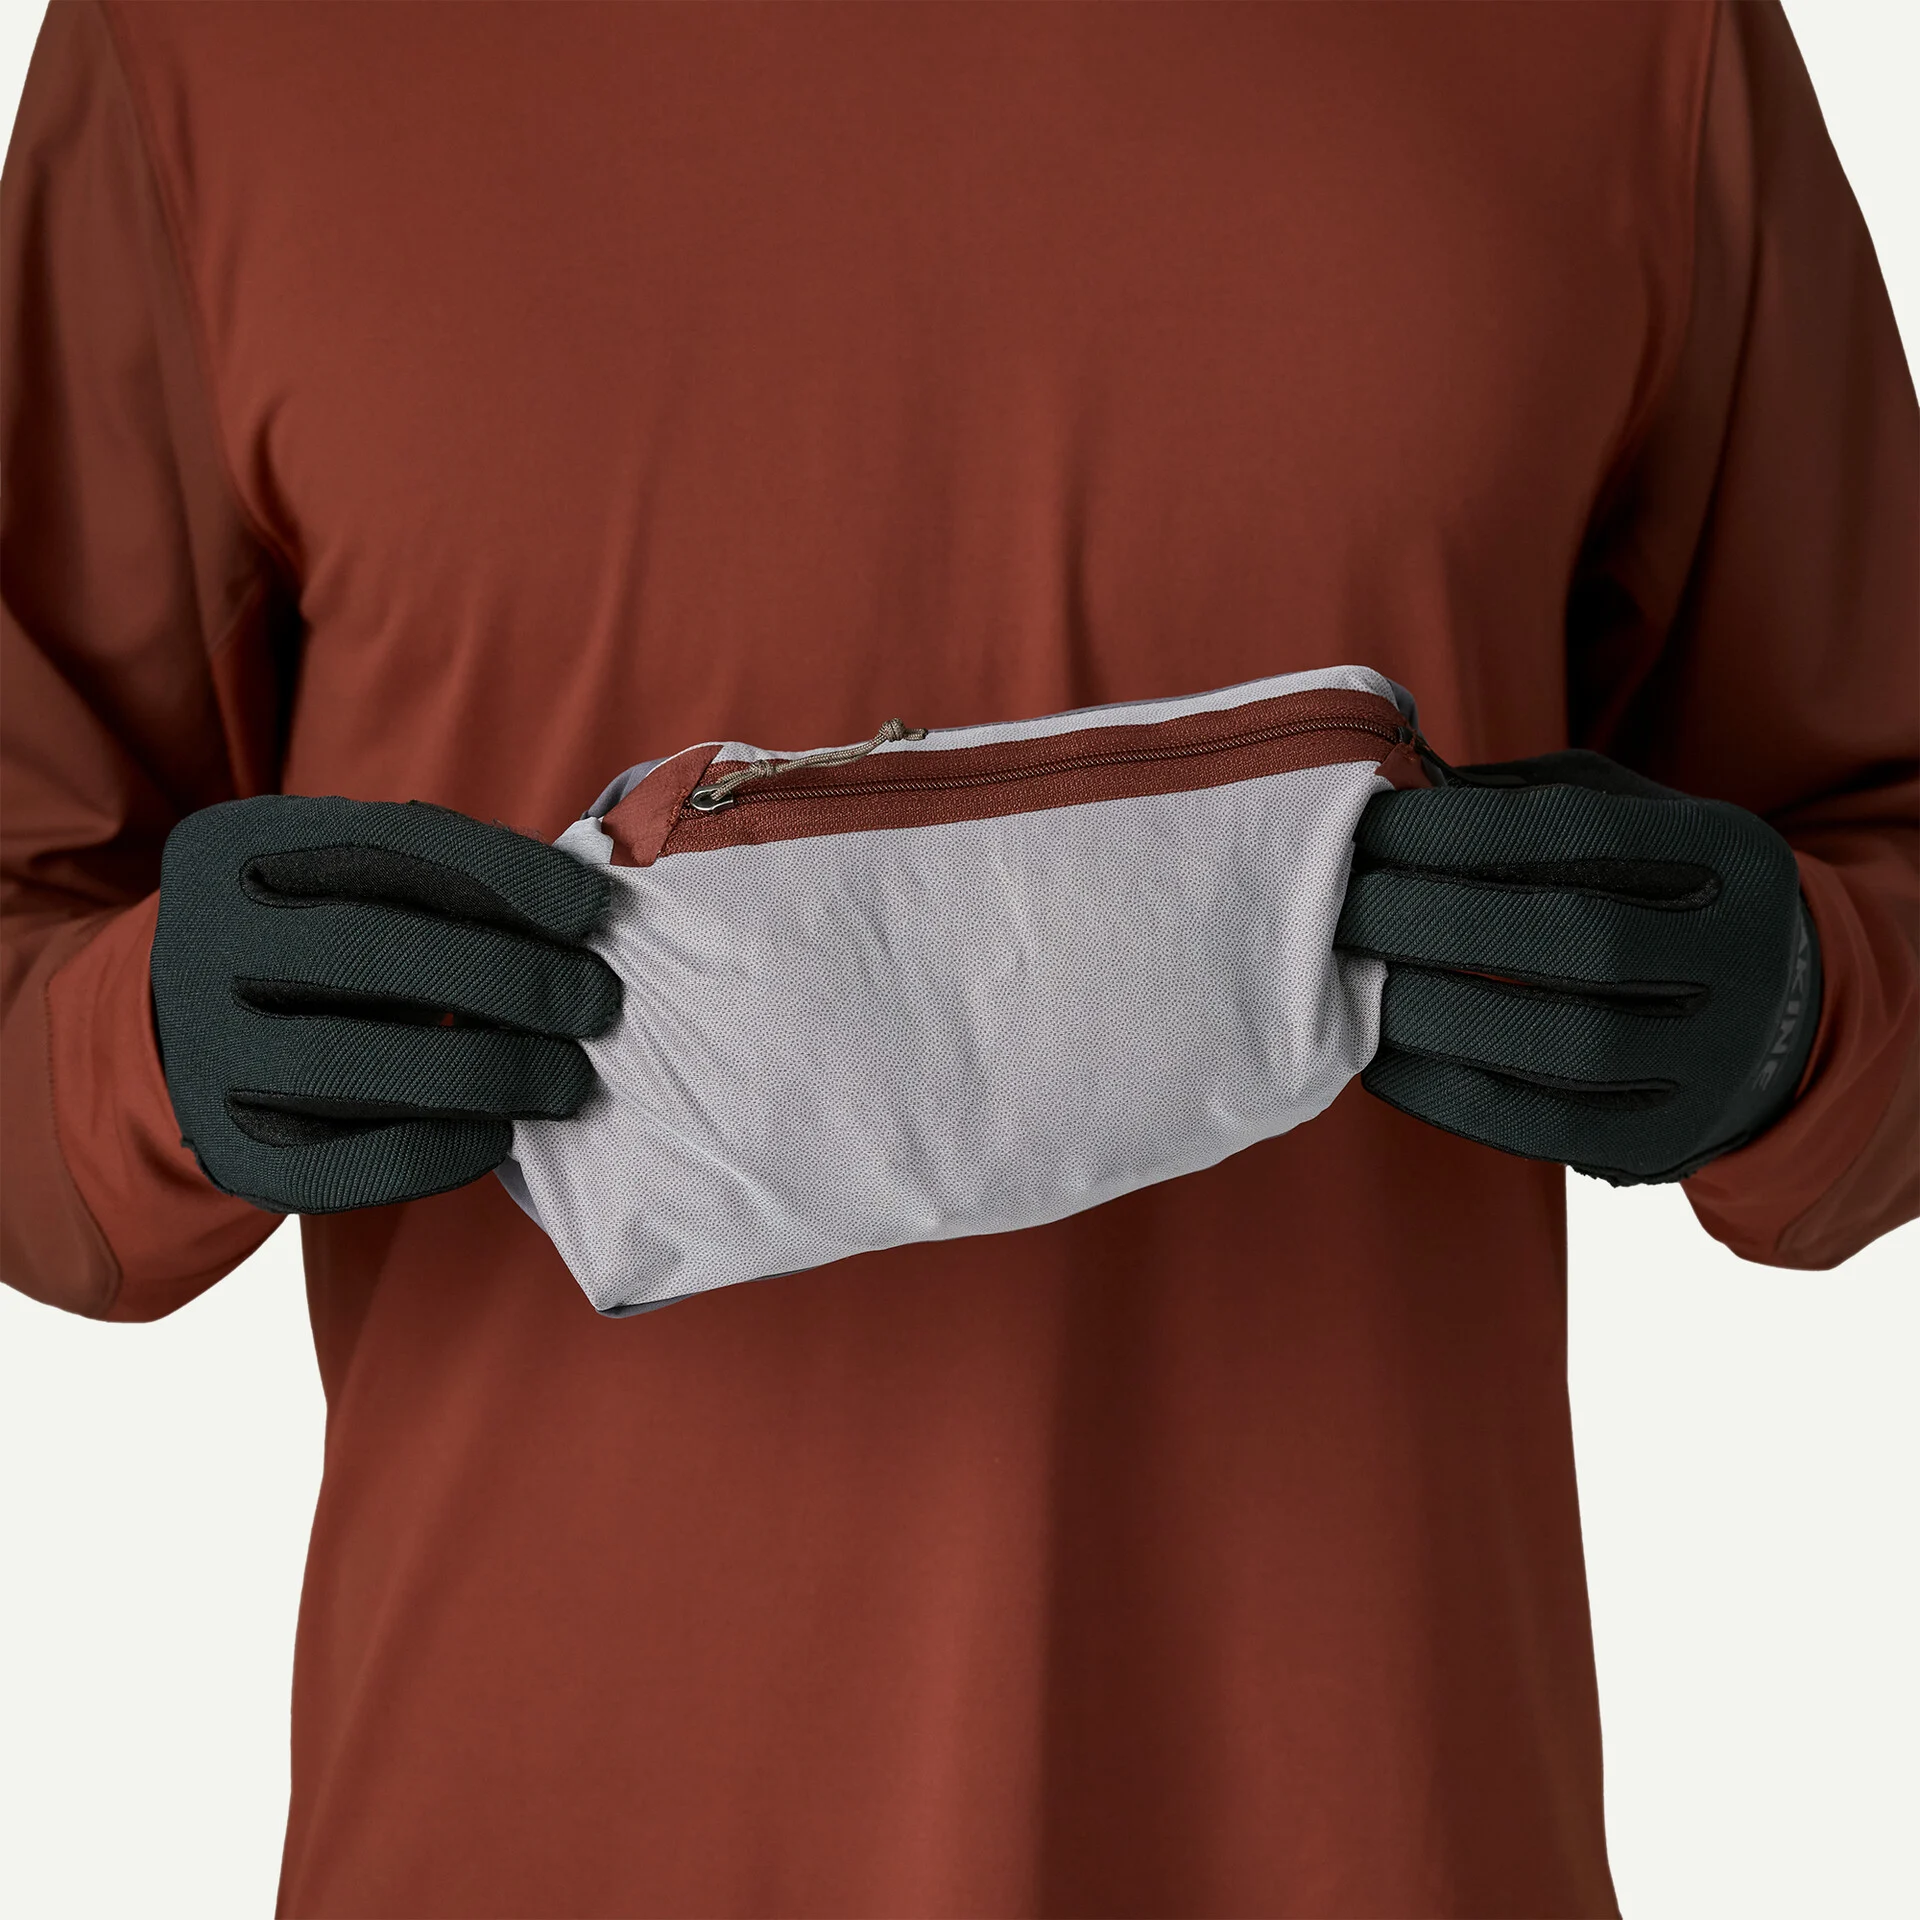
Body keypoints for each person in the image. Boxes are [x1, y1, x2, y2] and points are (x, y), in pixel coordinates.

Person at [2, 3, 1912, 1913]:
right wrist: (132, 1052)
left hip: (1363, 1836)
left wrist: (1802, 1011)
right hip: (523, 1839)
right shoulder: (203, 43)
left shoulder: (1631, 37)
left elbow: (1883, 848)